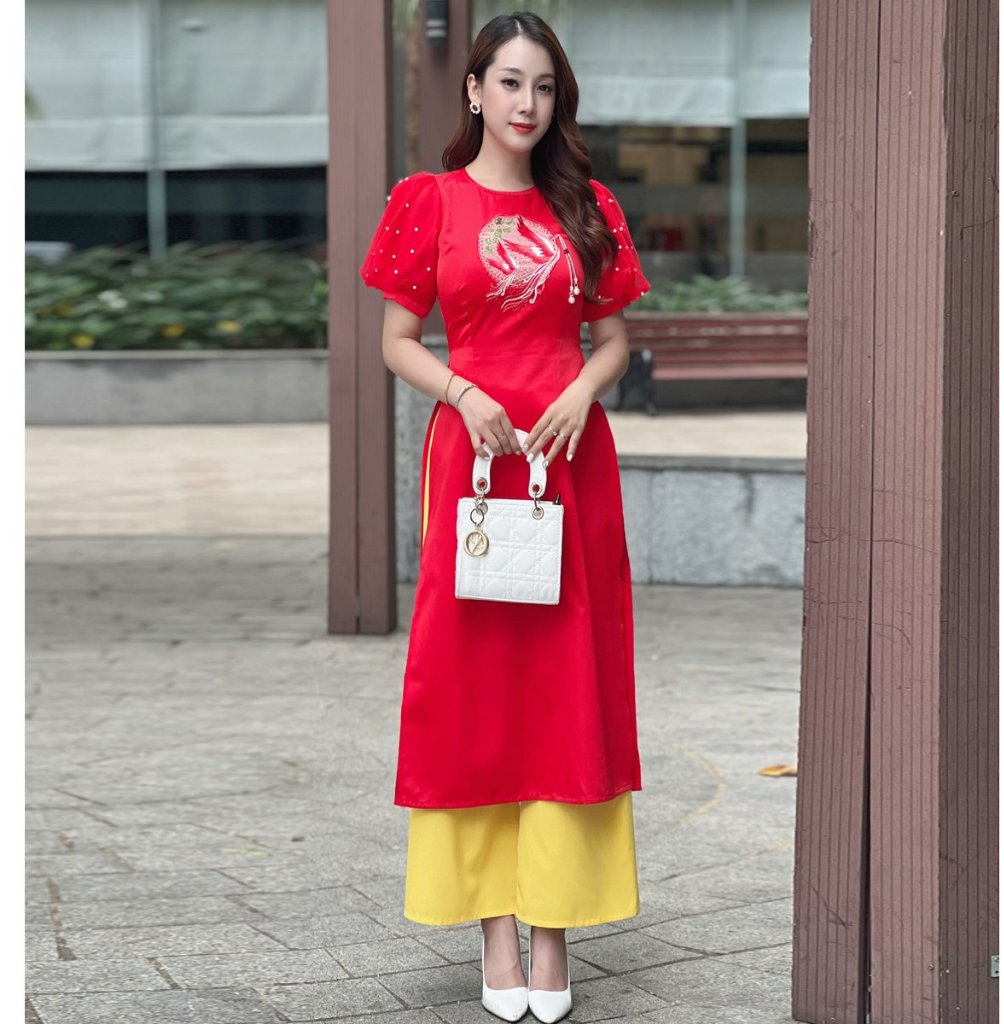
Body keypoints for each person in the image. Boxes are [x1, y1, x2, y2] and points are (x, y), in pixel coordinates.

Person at [359, 11, 650, 1022]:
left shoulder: (589, 205)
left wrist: (582, 391)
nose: (528, 103)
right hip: (475, 461)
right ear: (474, 90)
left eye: (545, 87)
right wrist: (462, 392)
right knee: (476, 684)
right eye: (511, 83)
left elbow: (613, 341)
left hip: (569, 460)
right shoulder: (426, 200)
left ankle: (553, 928)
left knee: (568, 682)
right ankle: (494, 927)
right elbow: (397, 339)